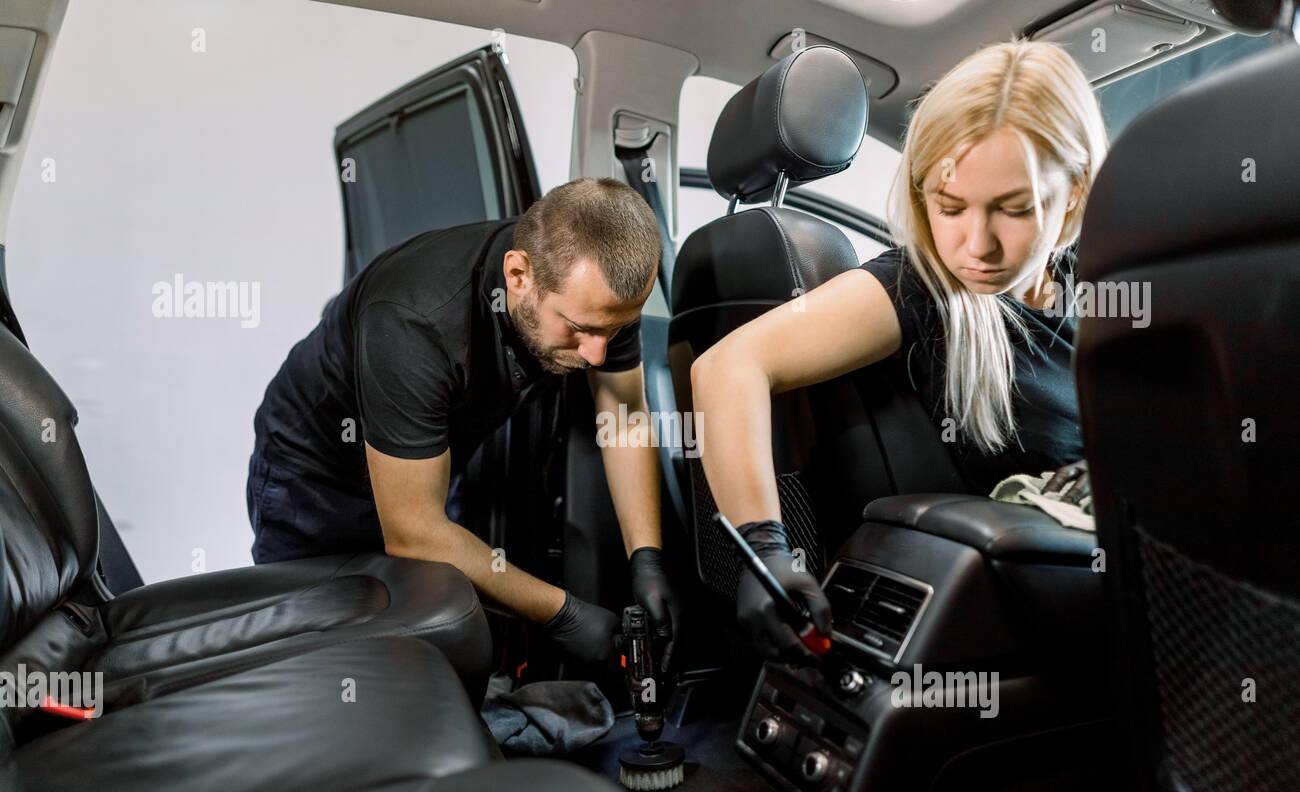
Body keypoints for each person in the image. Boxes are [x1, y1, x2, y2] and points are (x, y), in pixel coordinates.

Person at [690, 39, 1109, 660]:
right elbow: (728, 366)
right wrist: (765, 551)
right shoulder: (921, 287)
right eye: (950, 207)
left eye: (1015, 209)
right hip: (1034, 624)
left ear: (1073, 194)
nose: (976, 245)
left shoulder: (1106, 283)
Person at [248, 177, 679, 664]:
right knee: (319, 661)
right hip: (314, 482)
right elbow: (414, 532)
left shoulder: (595, 298)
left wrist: (646, 557)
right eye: (579, 330)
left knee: (423, 645)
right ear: (518, 274)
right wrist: (563, 615)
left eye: (614, 330)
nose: (597, 353)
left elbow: (622, 418)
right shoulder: (416, 320)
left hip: (423, 465)